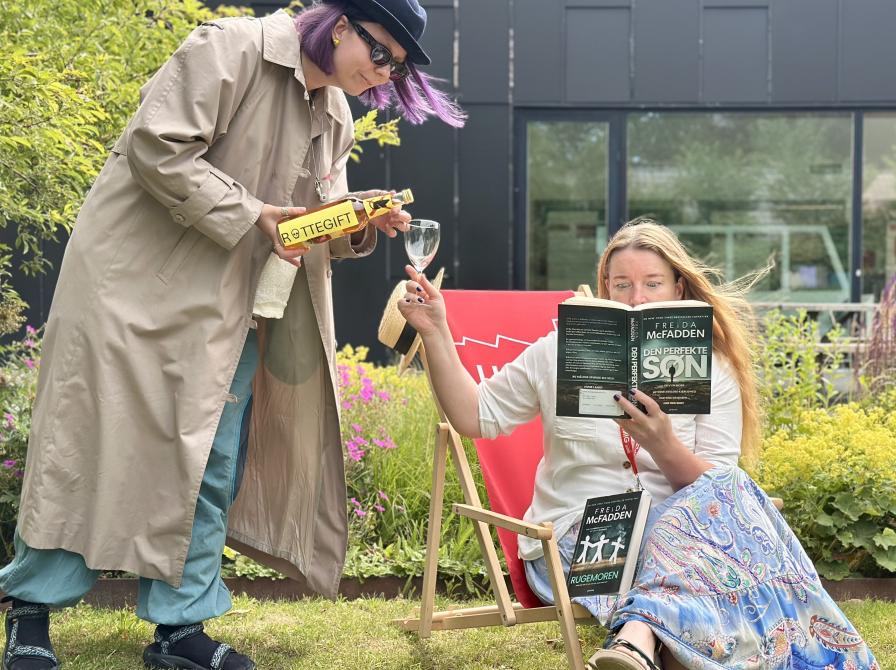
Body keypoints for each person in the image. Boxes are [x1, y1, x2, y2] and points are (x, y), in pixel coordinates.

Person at [0, 1, 464, 669]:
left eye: (396, 67)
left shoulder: (335, 112)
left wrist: (355, 220)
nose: (385, 73)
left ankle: (180, 628)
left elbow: (301, 223)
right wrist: (254, 213)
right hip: (132, 288)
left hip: (234, 307)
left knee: (210, 461)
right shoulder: (231, 48)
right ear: (341, 25)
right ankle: (31, 613)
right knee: (86, 440)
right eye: (382, 53)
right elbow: (156, 146)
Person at [397, 220, 879, 670]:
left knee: (724, 490)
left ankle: (637, 637)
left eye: (652, 283)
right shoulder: (555, 352)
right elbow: (474, 416)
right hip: (582, 544)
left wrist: (663, 444)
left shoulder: (712, 368)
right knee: (717, 563)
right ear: (605, 289)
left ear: (678, 290)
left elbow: (716, 491)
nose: (636, 298)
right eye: (622, 285)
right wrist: (436, 331)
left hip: (680, 543)